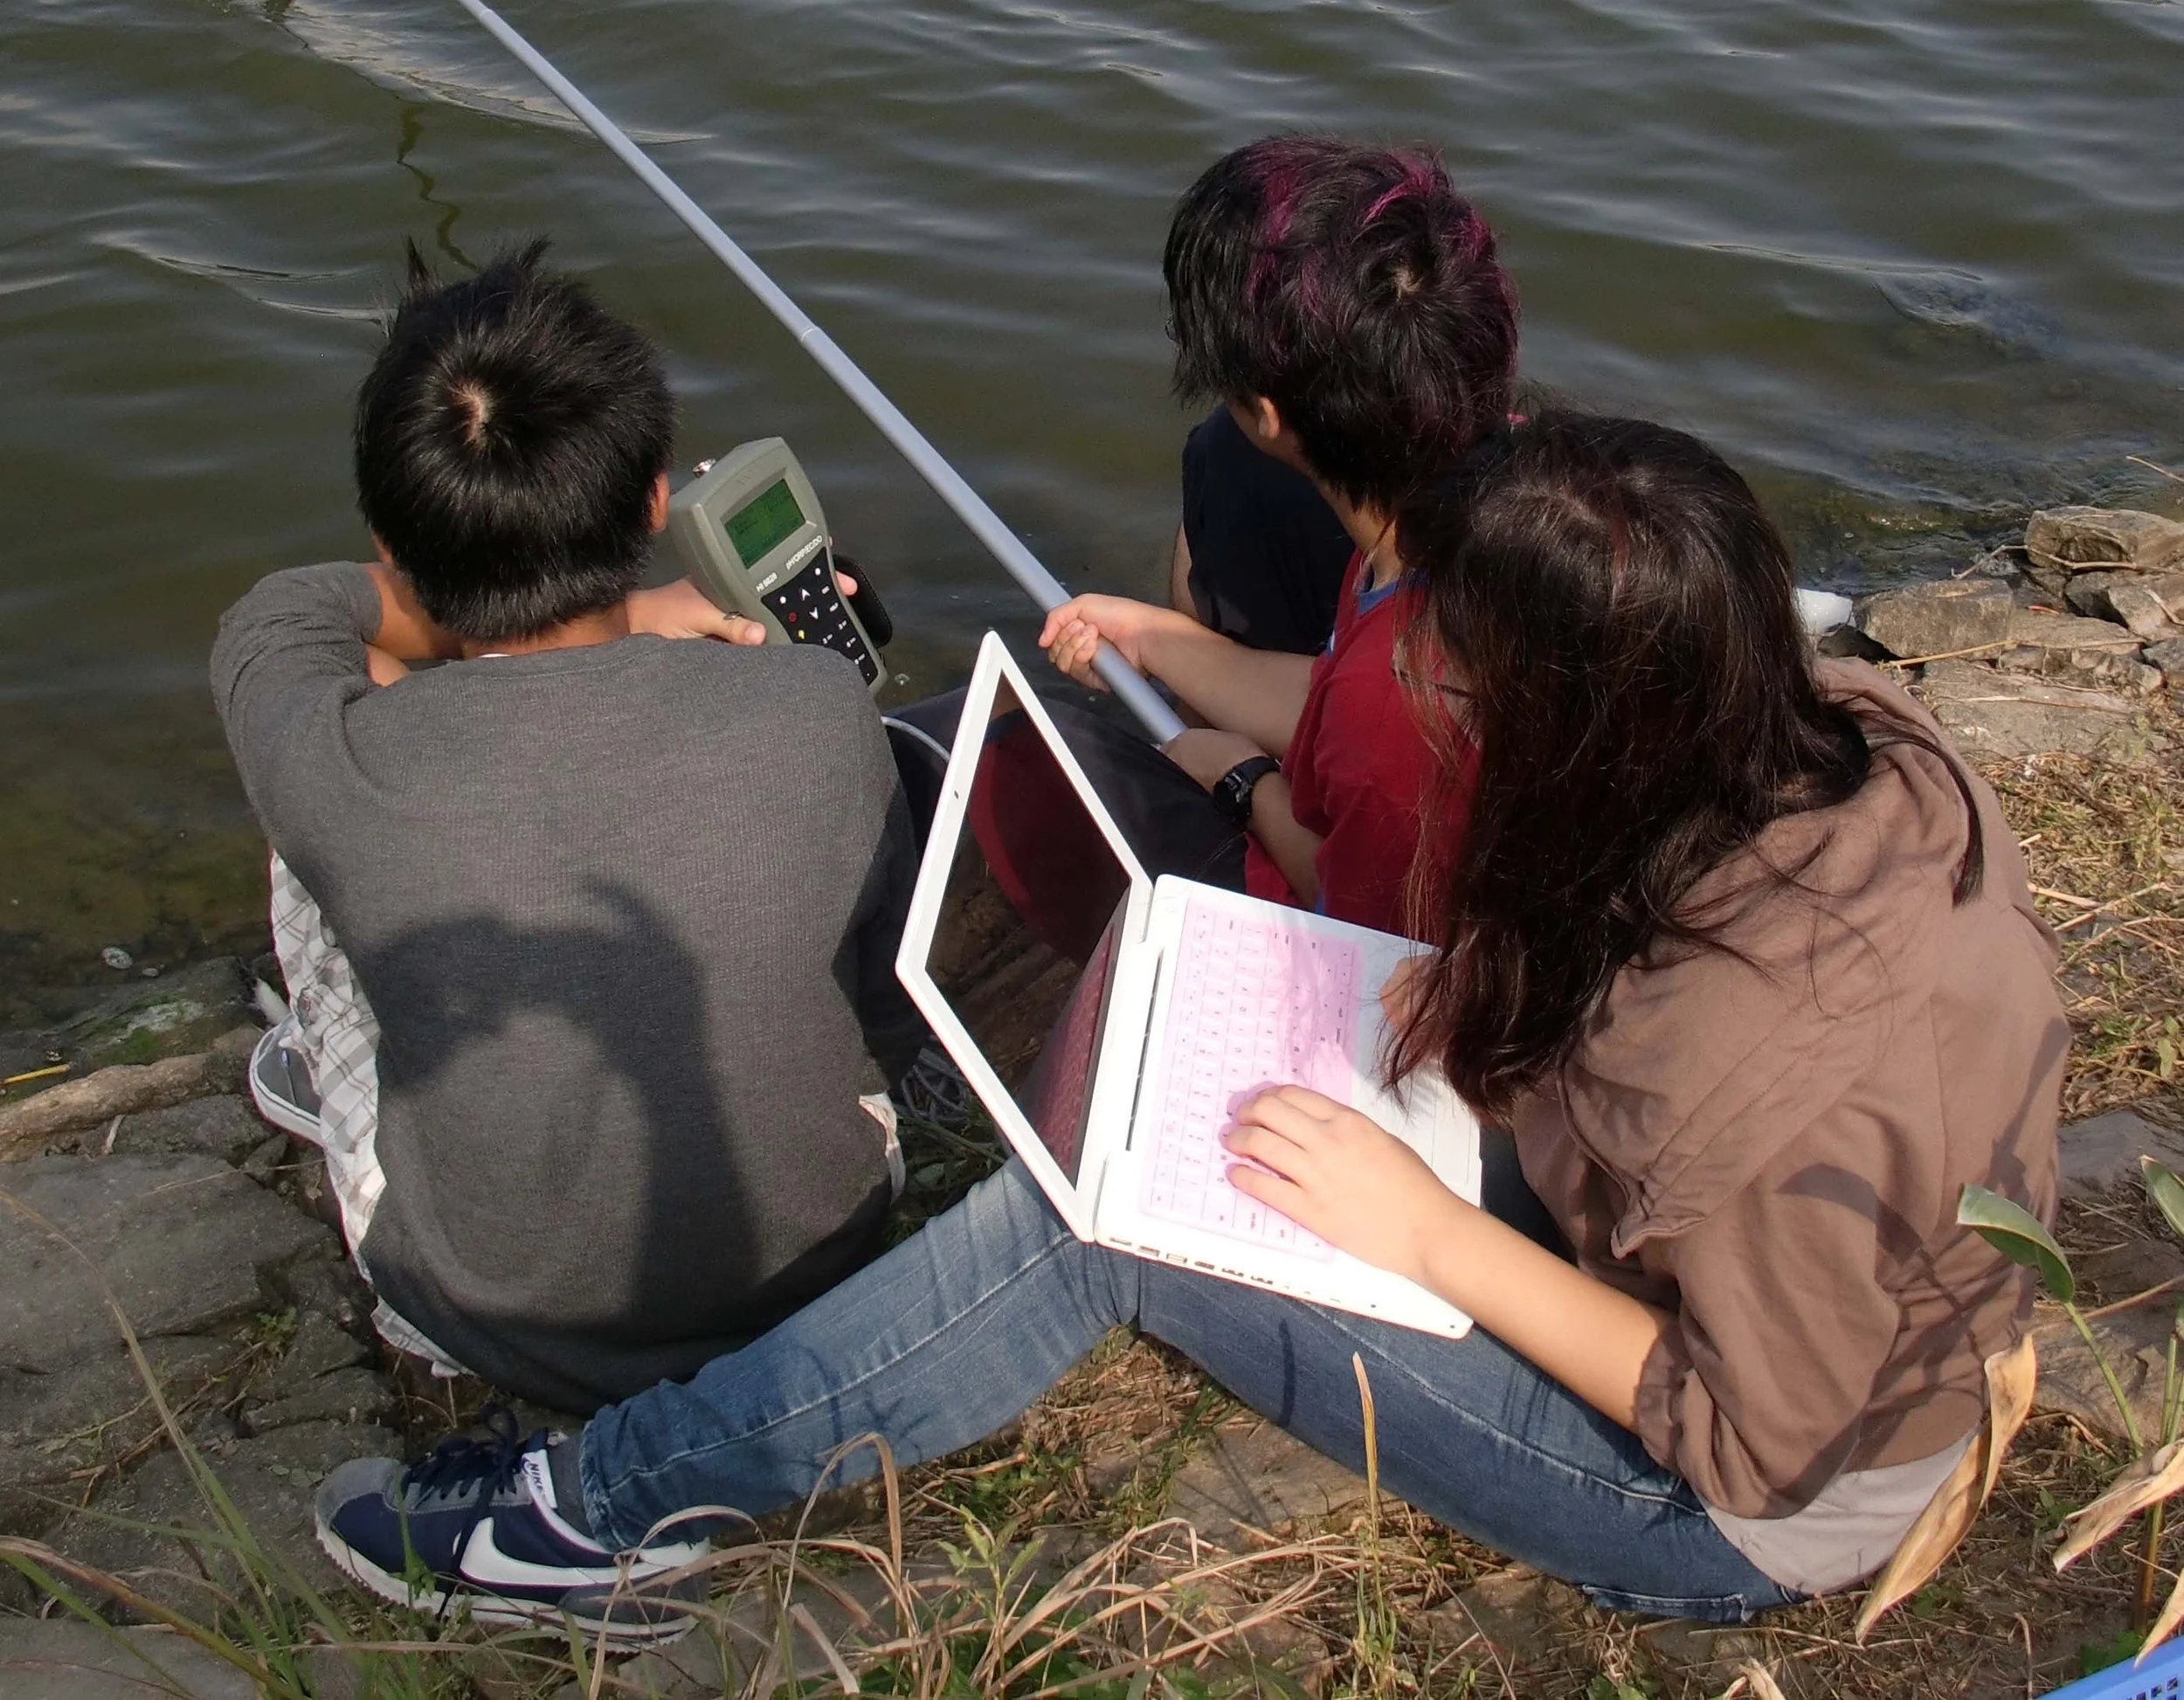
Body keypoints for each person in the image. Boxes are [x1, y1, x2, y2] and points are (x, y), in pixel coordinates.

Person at [309, 411, 2065, 1633]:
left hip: (1753, 1498)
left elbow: (1742, 1428)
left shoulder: (1755, 1068)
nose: (1417, 691)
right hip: (1691, 1245)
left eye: (1450, 668)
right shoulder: (1820, 732)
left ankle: (596, 1513)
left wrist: (1429, 1238)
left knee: (1113, 1223)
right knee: (1184, 1038)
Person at [212, 241, 924, 1413]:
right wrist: (635, 610)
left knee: (304, 830)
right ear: (656, 503)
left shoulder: (345, 757)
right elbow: (884, 1004)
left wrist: (459, 591)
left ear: (394, 545)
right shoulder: (815, 700)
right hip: (822, 1246)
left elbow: (282, 615)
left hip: (479, 1309)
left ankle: (330, 1065)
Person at [1008, 135, 1520, 938]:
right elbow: (1331, 696)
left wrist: (1247, 782)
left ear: (1269, 416)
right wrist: (1156, 638)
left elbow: (1364, 914)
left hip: (1389, 954)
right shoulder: (1459, 498)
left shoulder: (1402, 686)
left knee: (1019, 769)